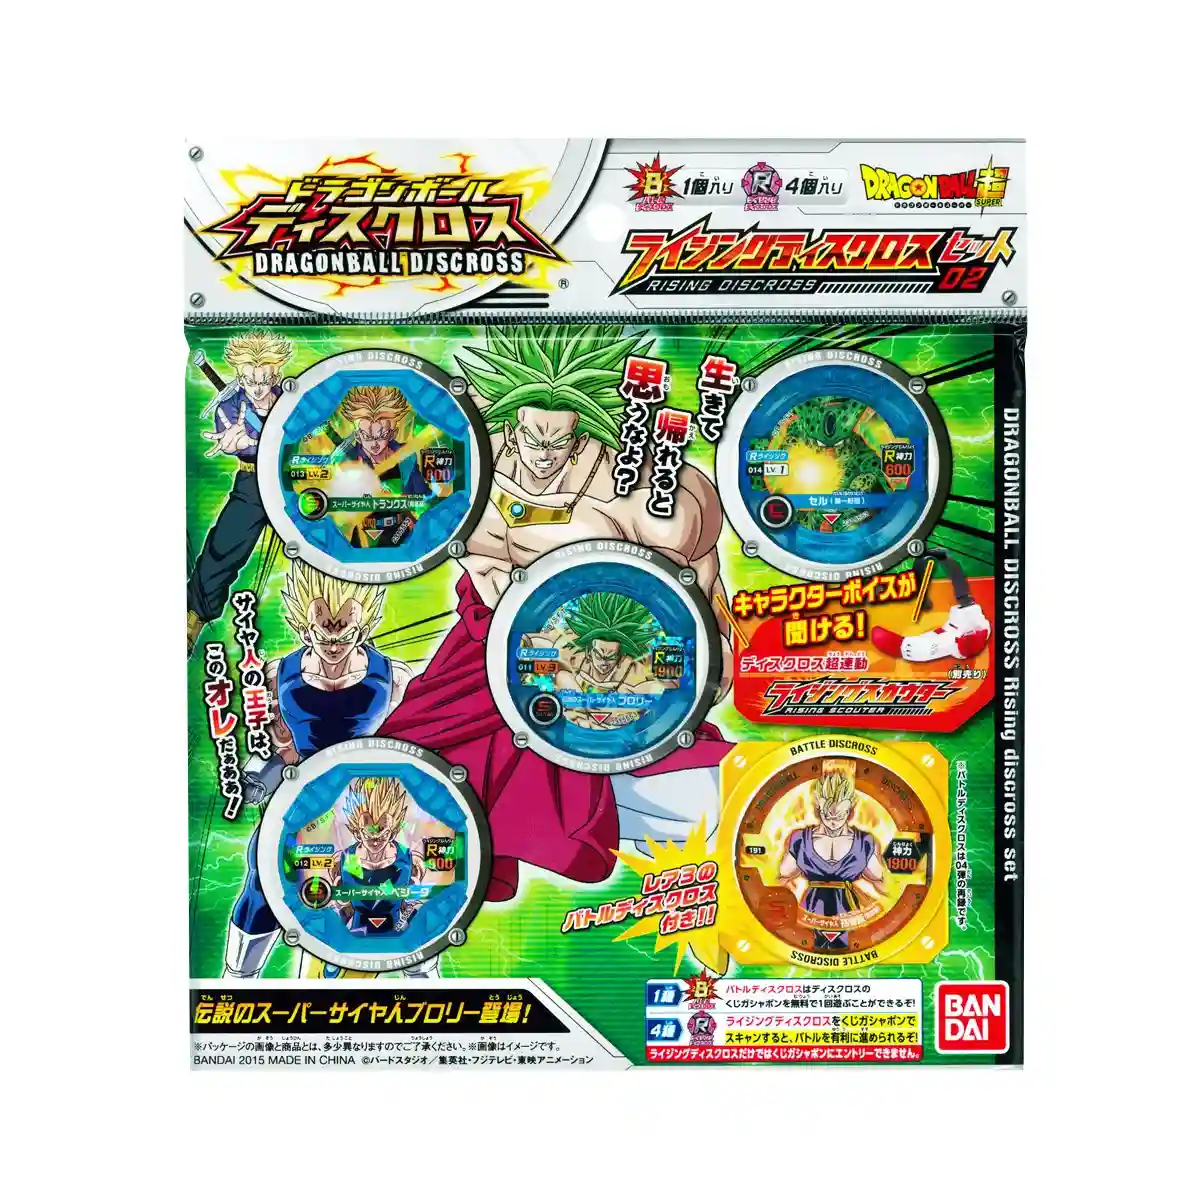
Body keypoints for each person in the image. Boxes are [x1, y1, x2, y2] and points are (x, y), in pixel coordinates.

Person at [377, 325, 735, 901]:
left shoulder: (643, 493)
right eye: (531, 438)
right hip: (483, 655)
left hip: (605, 673)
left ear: (583, 433)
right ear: (512, 425)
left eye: (559, 442)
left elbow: (699, 589)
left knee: (694, 799)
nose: (543, 454)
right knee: (407, 766)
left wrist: (696, 667)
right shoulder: (468, 467)